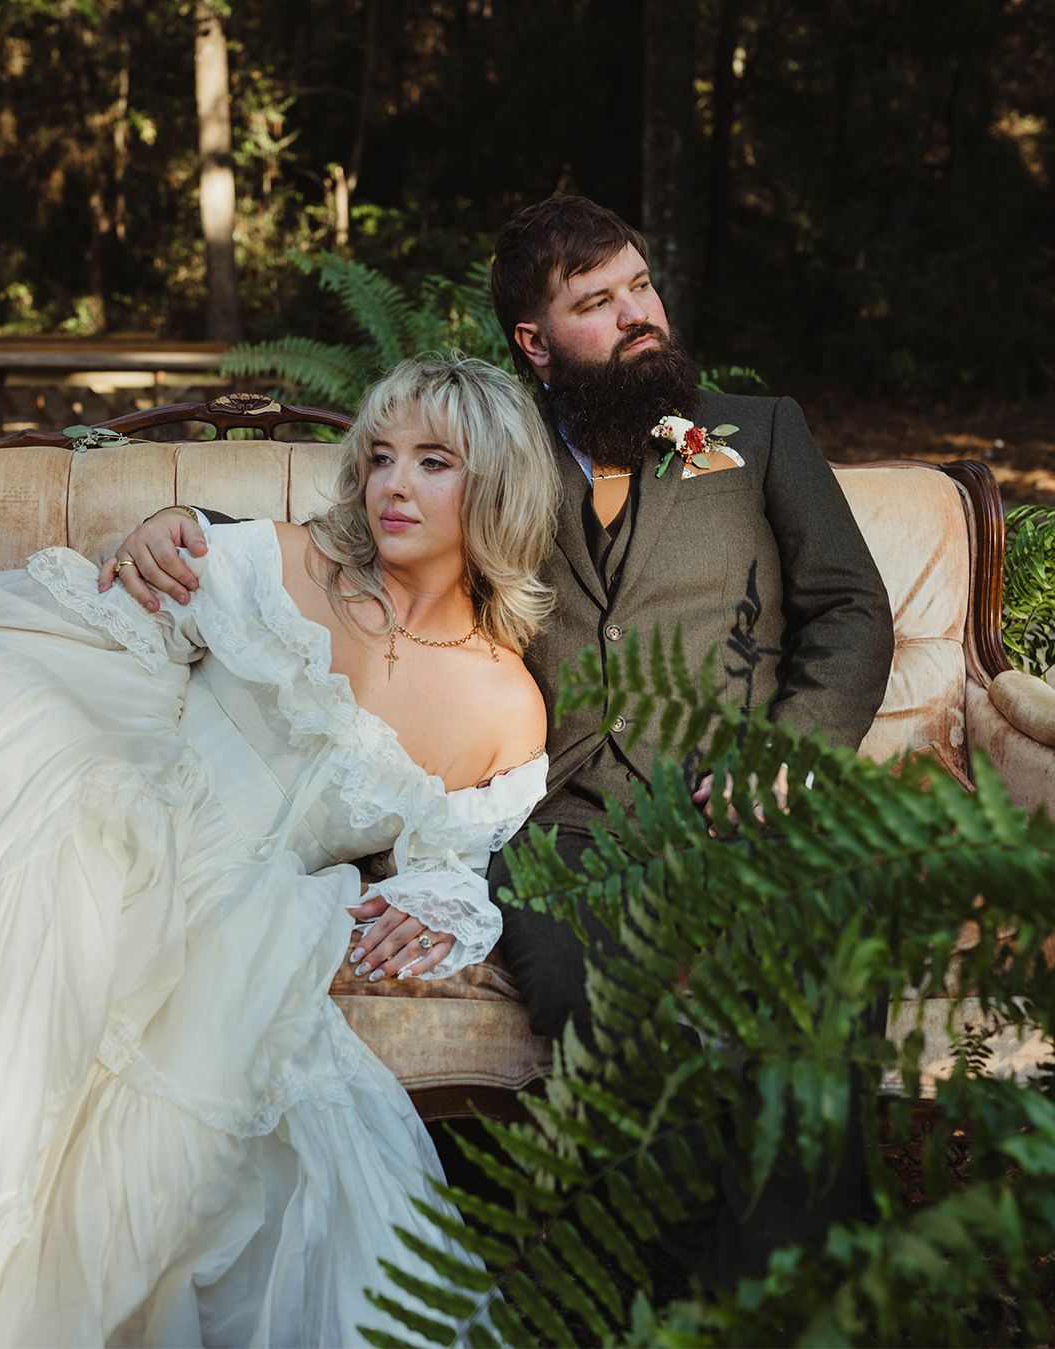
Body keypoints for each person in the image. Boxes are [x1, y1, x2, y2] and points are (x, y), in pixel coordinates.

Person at [102, 195, 896, 1285]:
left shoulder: (752, 435)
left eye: (640, 285)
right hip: (562, 826)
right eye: (597, 301)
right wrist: (191, 528)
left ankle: (798, 1305)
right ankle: (671, 1295)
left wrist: (793, 751)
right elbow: (369, 526)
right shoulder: (501, 446)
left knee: (817, 981)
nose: (637, 314)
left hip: (741, 801)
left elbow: (851, 607)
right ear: (535, 341)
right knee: (596, 1006)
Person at [0, 353, 559, 1347]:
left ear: (497, 488)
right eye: (380, 457)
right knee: (50, 788)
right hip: (135, 778)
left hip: (256, 897)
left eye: (432, 462)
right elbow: (138, 624)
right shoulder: (280, 560)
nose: (393, 485)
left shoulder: (506, 706)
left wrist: (437, 902)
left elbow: (449, 862)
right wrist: (157, 543)